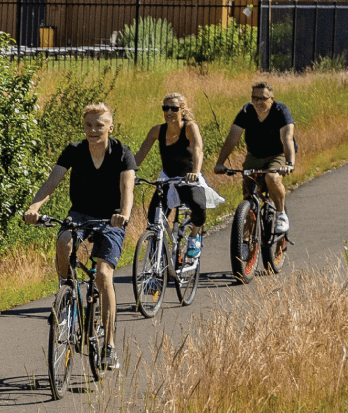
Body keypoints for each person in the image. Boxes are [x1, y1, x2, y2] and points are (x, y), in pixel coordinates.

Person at [22, 102, 136, 369]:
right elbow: (52, 182)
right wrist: (34, 207)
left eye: (99, 125)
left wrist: (124, 214)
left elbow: (127, 187)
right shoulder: (75, 151)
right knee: (63, 241)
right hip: (81, 214)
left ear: (110, 126)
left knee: (103, 275)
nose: (93, 130)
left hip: (111, 217)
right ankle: (66, 291)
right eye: (88, 125)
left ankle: (109, 345)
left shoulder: (122, 153)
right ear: (83, 126)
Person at [213, 81, 297, 233]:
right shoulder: (246, 112)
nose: (258, 102)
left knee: (272, 178)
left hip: (278, 154)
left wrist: (290, 163)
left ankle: (281, 214)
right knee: (249, 193)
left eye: (263, 98)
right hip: (255, 155)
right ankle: (246, 238)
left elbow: (287, 138)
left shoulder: (281, 111)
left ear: (272, 98)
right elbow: (232, 139)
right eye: (255, 98)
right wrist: (220, 163)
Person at [134, 92, 209, 262]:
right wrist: (128, 173)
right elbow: (140, 154)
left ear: (182, 110)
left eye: (173, 108)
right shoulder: (157, 130)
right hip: (167, 178)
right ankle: (155, 260)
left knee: (198, 207)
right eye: (165, 108)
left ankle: (195, 236)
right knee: (154, 218)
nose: (169, 112)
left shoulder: (190, 127)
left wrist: (195, 172)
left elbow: (198, 150)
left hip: (188, 177)